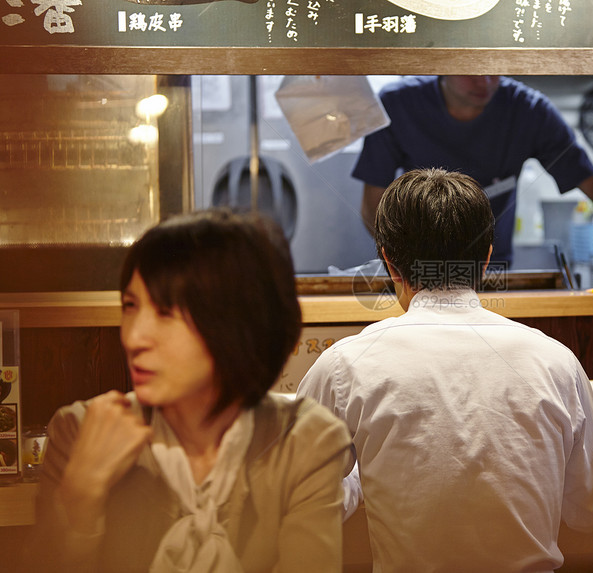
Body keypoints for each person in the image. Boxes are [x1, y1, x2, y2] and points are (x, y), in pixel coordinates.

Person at [298, 169, 593, 572]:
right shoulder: (555, 360)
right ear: (485, 259)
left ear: (389, 263)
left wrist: (363, 477)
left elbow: (301, 500)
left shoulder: (345, 365)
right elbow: (592, 511)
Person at [29, 209, 352, 573]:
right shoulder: (79, 431)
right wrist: (81, 492)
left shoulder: (301, 441)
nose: (134, 337)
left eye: (165, 312)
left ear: (236, 326)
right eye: (130, 306)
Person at [353, 75, 593, 263]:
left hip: (493, 268)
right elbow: (373, 205)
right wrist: (404, 263)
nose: (484, 81)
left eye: (493, 69)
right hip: (418, 271)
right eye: (471, 70)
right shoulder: (398, 103)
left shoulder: (529, 110)